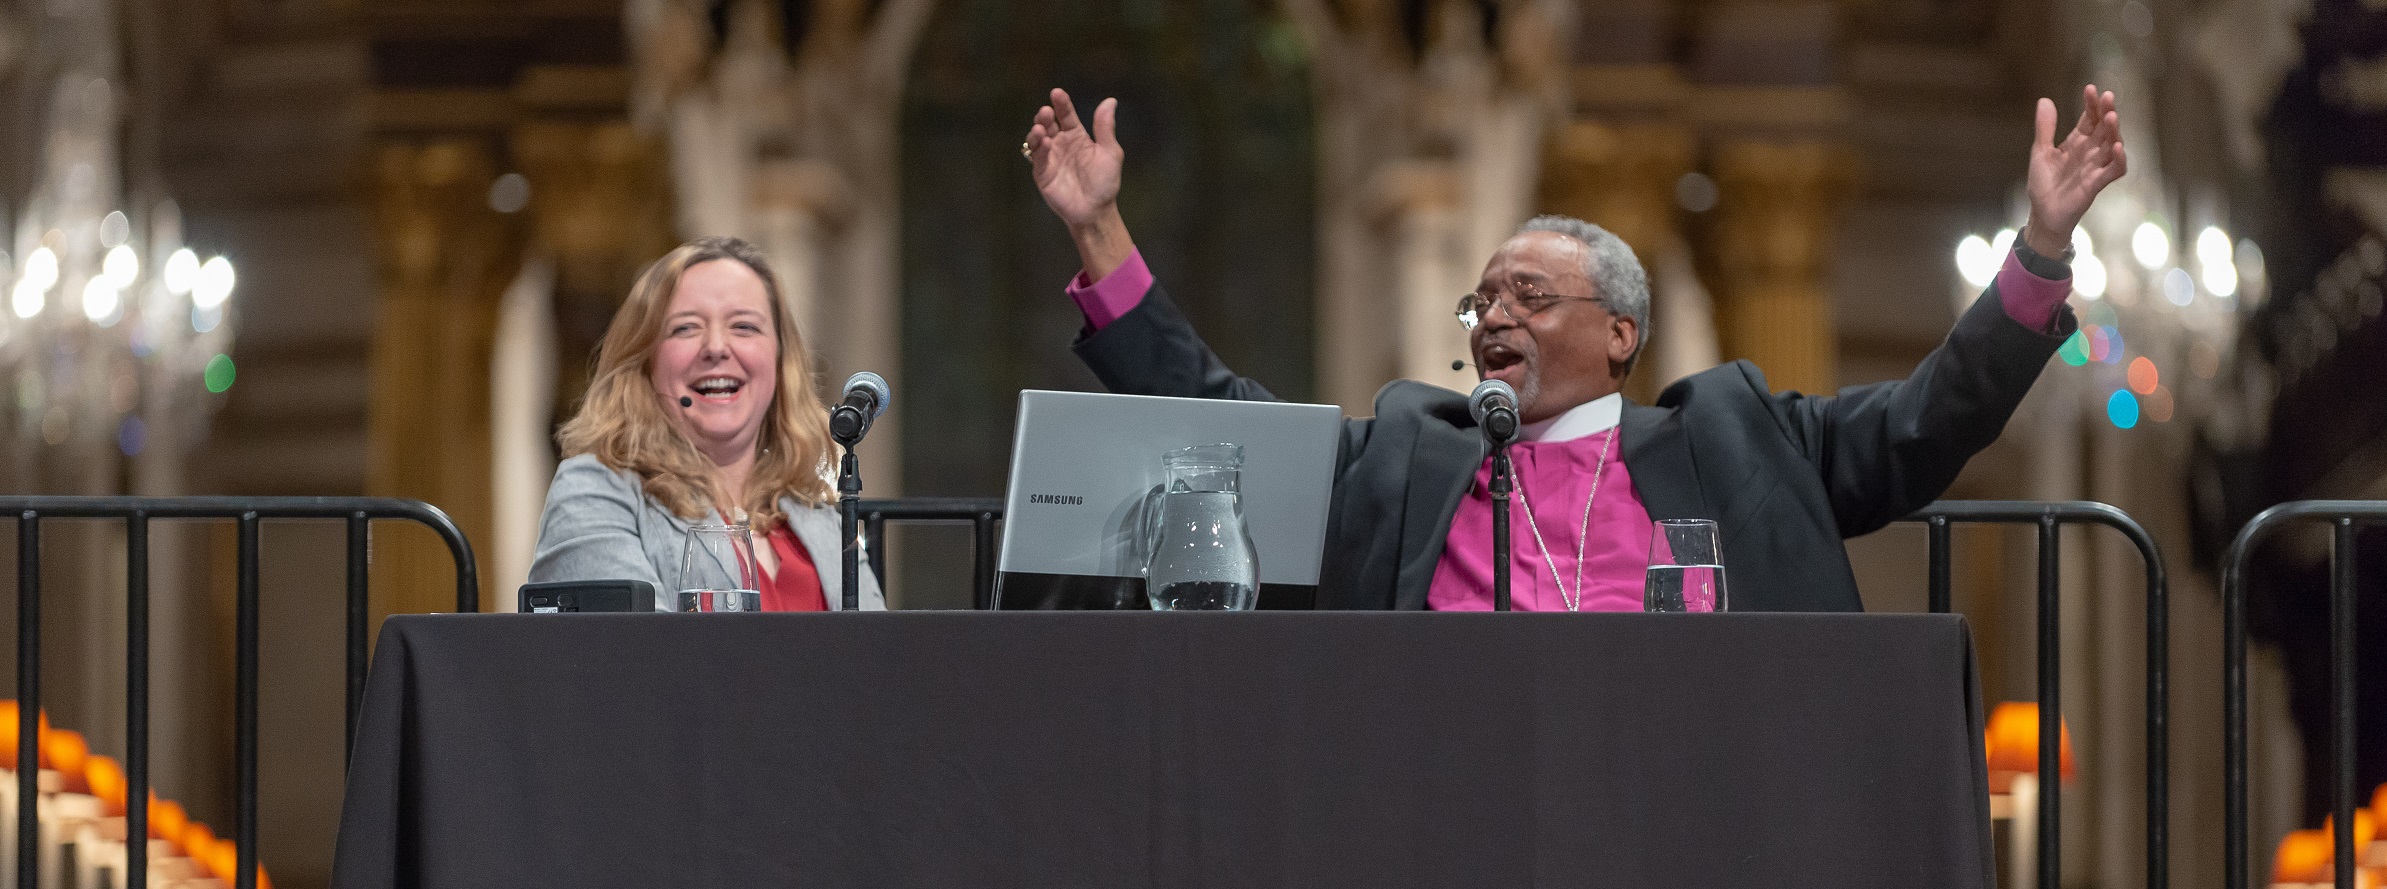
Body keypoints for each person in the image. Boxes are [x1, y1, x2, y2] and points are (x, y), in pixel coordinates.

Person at [1023, 85, 2127, 612]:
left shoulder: (1734, 433)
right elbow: (1228, 420)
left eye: (1529, 296)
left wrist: (2039, 246)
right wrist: (1098, 230)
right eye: (1482, 299)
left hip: (1694, 779)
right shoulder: (1412, 444)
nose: (1493, 315)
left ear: (1618, 334)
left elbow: (1927, 419)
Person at [529, 236, 885, 611]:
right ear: (644, 361)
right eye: (686, 328)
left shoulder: (816, 512)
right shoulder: (594, 492)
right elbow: (637, 661)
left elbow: (883, 658)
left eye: (744, 327)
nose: (716, 346)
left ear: (781, 363)